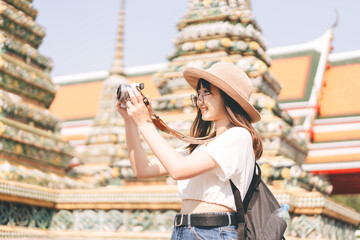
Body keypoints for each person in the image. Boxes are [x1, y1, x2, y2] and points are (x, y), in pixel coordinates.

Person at [116, 62, 263, 240]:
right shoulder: (204, 145)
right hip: (183, 230)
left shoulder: (239, 136)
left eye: (206, 93)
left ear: (228, 97)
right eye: (198, 95)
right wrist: (130, 120)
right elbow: (142, 169)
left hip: (213, 232)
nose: (200, 101)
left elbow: (178, 170)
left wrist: (145, 123)